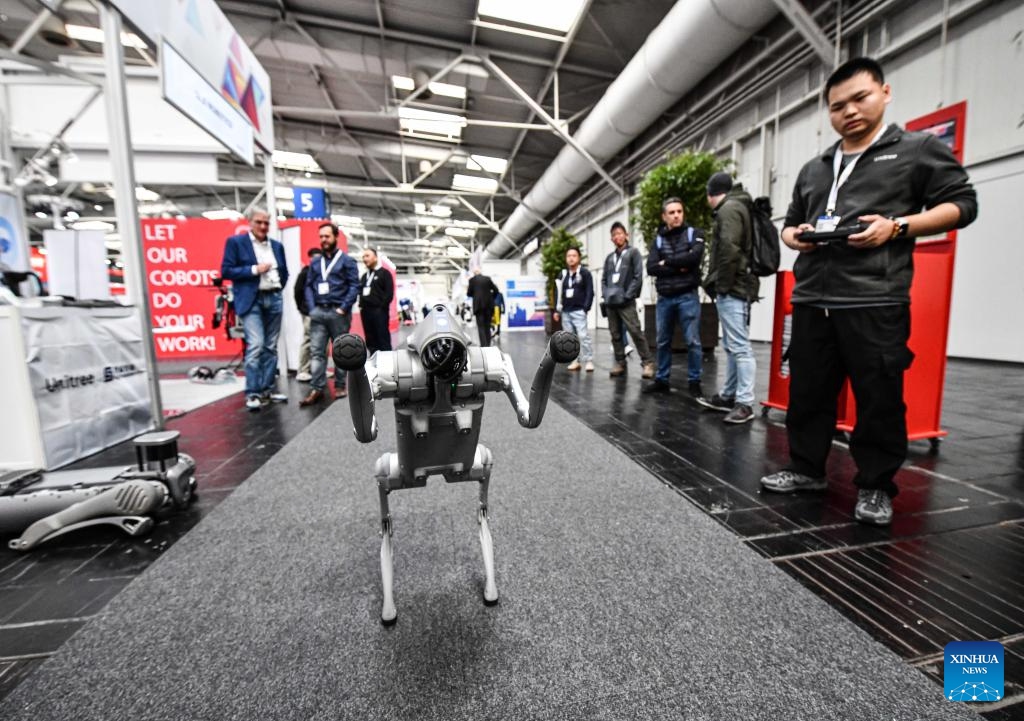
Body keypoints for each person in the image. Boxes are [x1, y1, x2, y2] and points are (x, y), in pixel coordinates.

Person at [759, 57, 977, 526]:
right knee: (809, 392)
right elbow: (791, 222)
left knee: (878, 396)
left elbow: (963, 204)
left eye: (860, 98)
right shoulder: (816, 167)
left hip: (874, 298)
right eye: (838, 106)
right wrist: (793, 235)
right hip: (813, 296)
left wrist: (896, 226)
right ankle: (806, 468)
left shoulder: (916, 150)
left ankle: (876, 485)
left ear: (885, 92)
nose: (850, 112)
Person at [698, 172, 759, 424]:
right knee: (733, 345)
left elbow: (729, 249)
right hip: (737, 286)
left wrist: (721, 286)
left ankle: (744, 402)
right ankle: (729, 395)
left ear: (712, 194)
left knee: (740, 347)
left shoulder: (729, 209)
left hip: (733, 288)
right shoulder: (738, 206)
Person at [219, 208, 289, 411]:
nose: (263, 226)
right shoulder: (236, 243)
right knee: (256, 344)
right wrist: (253, 270)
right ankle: (253, 392)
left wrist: (277, 288)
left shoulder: (276, 246)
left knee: (270, 347)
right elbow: (226, 270)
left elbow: (284, 272)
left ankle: (267, 389)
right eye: (259, 222)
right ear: (249, 222)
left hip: (274, 297)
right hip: (252, 300)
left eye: (266, 223)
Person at [643, 197, 705, 395]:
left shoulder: (693, 233)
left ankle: (694, 381)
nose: (676, 215)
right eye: (672, 212)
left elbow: (694, 258)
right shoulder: (658, 240)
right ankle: (662, 379)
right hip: (665, 299)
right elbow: (651, 267)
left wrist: (666, 263)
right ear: (664, 216)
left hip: (687, 296)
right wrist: (680, 266)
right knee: (662, 341)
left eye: (679, 211)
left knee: (692, 340)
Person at [300, 222, 359, 406]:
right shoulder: (316, 262)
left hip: (338, 312)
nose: (323, 240)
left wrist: (343, 308)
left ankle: (341, 385)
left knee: (340, 352)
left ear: (335, 237)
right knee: (316, 352)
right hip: (318, 312)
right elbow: (309, 285)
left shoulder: (347, 261)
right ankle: (316, 388)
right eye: (321, 237)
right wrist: (311, 308)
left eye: (327, 236)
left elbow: (354, 285)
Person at [602, 222, 655, 379]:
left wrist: (628, 295)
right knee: (615, 334)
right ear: (611, 239)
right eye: (614, 235)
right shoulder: (609, 258)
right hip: (611, 302)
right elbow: (604, 279)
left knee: (635, 331)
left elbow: (638, 276)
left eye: (620, 233)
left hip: (626, 302)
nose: (617, 236)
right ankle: (620, 362)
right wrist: (605, 294)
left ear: (626, 235)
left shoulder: (633, 253)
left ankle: (648, 362)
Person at [552, 246, 594, 372]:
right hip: (566, 311)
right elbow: (557, 292)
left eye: (574, 255)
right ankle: (575, 361)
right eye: (569, 256)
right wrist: (556, 310)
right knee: (570, 339)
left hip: (579, 310)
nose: (571, 258)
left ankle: (589, 360)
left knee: (583, 336)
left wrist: (585, 308)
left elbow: (590, 291)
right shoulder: (563, 274)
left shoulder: (585, 273)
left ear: (579, 258)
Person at [359, 247, 394, 354]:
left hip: (379, 312)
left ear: (375, 258)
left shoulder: (385, 273)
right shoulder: (364, 276)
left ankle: (387, 364)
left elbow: (389, 294)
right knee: (370, 339)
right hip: (365, 312)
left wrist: (381, 308)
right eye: (363, 256)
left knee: (382, 338)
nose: (365, 259)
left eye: (367, 256)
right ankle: (374, 364)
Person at [293, 247, 320, 382]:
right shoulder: (305, 273)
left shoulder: (323, 273)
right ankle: (303, 370)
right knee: (308, 339)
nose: (316, 259)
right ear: (309, 258)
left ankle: (319, 369)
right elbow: (297, 291)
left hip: (323, 312)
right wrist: (302, 308)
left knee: (322, 342)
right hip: (308, 312)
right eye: (313, 257)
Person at [466, 268, 499, 347]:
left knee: (481, 327)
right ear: (480, 272)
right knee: (487, 326)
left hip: (478, 306)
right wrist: (491, 298)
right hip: (489, 306)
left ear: (474, 273)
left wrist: (475, 295)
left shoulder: (472, 280)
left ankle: (484, 345)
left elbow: (468, 293)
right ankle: (488, 344)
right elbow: (496, 290)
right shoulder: (487, 279)